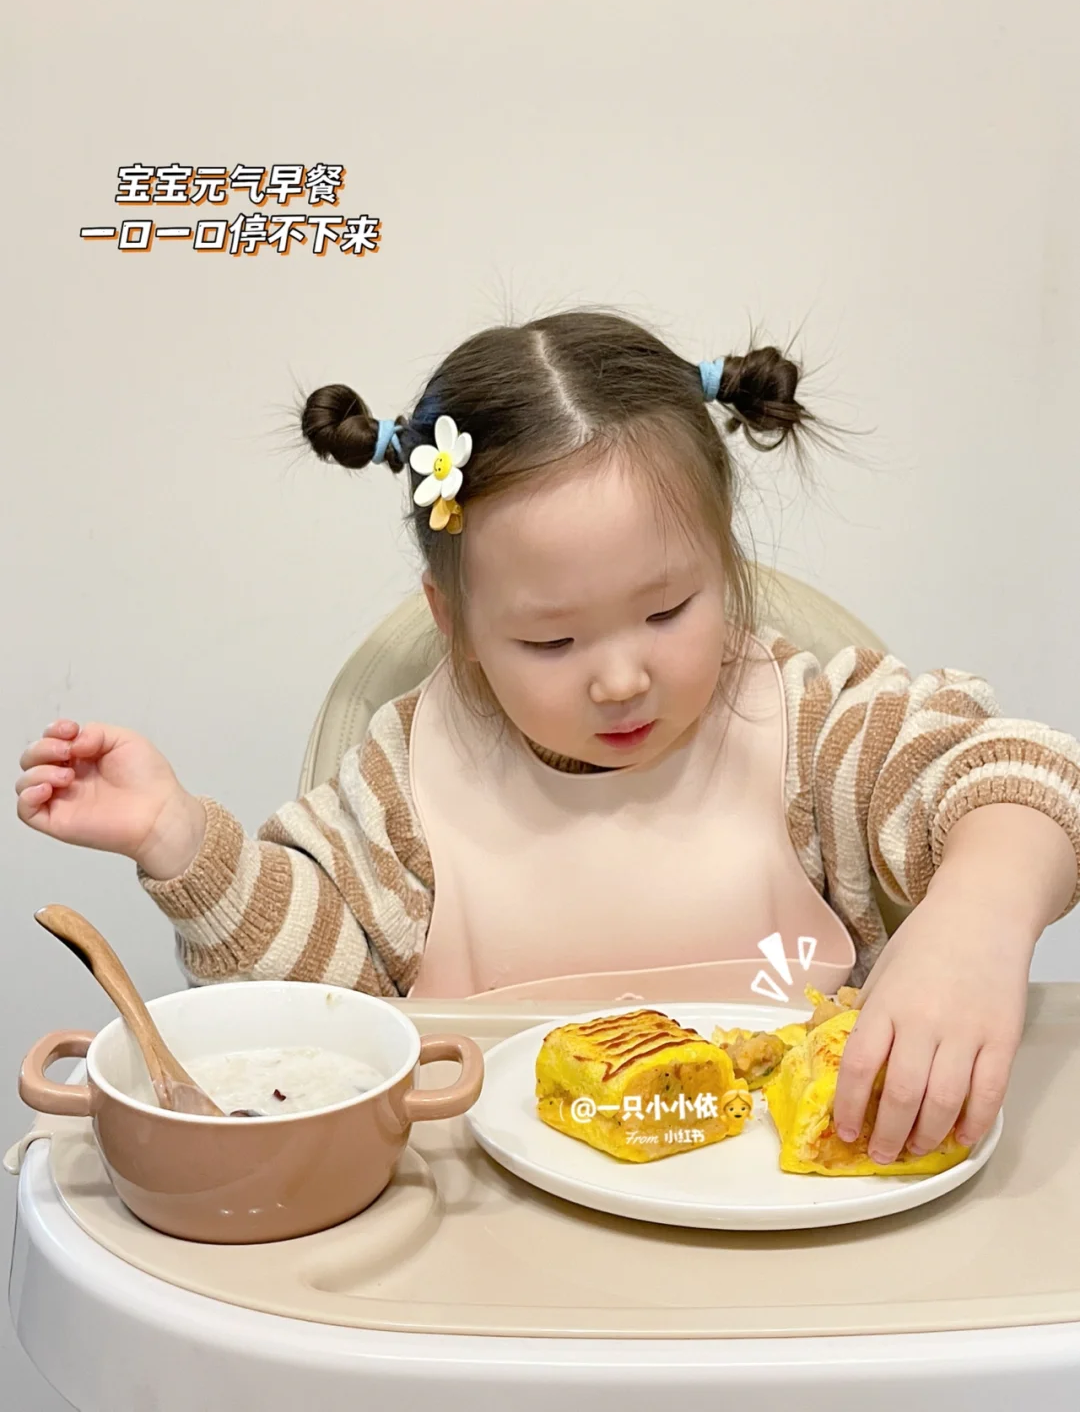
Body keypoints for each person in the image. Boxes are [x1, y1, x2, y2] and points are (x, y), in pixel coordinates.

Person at [15, 310, 1080, 1166]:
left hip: (792, 1234)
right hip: (486, 1250)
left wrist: (976, 919)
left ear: (725, 564)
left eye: (667, 610)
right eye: (551, 639)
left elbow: (1018, 774)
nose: (620, 676)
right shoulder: (410, 780)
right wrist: (180, 839)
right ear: (457, 627)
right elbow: (322, 988)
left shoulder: (809, 731)